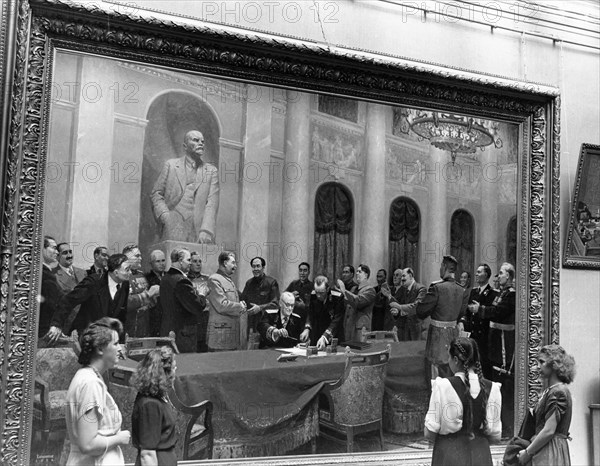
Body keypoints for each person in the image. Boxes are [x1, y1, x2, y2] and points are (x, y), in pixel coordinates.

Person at [425, 337, 501, 466]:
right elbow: (495, 436)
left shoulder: (443, 386)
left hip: (450, 455)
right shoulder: (492, 388)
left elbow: (429, 433)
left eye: (449, 357)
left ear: (455, 360)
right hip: (481, 455)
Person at [65, 318, 131, 465]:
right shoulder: (91, 383)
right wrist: (120, 438)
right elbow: (88, 444)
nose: (120, 349)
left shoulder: (88, 376)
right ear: (100, 349)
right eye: (115, 344)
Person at [469, 261, 516, 437]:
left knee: (503, 385)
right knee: (494, 382)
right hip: (494, 344)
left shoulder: (511, 295)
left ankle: (507, 427)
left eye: (502, 273)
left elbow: (498, 312)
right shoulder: (502, 294)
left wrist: (479, 309)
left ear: (510, 277)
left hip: (505, 346)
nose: (499, 276)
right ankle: (496, 423)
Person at [150, 130, 220, 244]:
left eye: (202, 141)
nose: (201, 143)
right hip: (173, 221)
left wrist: (206, 230)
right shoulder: (171, 165)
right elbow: (156, 194)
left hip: (198, 227)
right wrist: (164, 215)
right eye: (195, 140)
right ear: (185, 146)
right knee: (173, 259)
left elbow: (212, 202)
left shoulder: (211, 171)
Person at [516, 344, 575, 466]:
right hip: (545, 448)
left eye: (542, 362)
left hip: (550, 450)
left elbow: (549, 430)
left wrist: (527, 453)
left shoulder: (558, 392)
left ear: (554, 364)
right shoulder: (551, 390)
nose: (537, 367)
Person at [51, 254, 132, 341]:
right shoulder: (93, 282)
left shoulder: (124, 284)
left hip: (107, 337)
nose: (130, 272)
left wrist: (122, 341)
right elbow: (68, 300)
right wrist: (56, 324)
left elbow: (121, 315)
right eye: (127, 270)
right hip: (85, 334)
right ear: (116, 272)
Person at [416, 255, 469, 379]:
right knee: (452, 369)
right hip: (454, 334)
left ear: (445, 267)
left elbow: (421, 311)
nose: (440, 269)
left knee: (436, 373)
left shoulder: (437, 288)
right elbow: (461, 313)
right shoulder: (462, 290)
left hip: (437, 337)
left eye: (441, 266)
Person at [130, 346, 178, 466]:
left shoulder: (157, 398)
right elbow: (147, 454)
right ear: (164, 373)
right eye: (173, 368)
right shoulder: (150, 405)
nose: (175, 371)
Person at [159, 248, 206, 353]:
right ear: (180, 261)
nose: (190, 263)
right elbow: (197, 306)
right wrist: (202, 294)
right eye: (188, 260)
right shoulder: (181, 281)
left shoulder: (165, 278)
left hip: (168, 330)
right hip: (183, 334)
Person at [206, 251, 254, 351]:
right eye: (233, 263)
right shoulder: (214, 279)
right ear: (224, 263)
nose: (235, 266)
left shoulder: (228, 280)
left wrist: (242, 305)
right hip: (221, 336)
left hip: (230, 335)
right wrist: (239, 306)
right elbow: (221, 305)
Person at [458, 263, 498, 379]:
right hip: (472, 335)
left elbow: (493, 314)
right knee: (471, 367)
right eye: (476, 272)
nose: (476, 274)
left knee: (484, 367)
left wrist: (479, 309)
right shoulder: (474, 292)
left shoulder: (493, 293)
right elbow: (467, 312)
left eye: (479, 272)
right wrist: (462, 322)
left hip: (485, 338)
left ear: (486, 275)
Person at [123, 245, 160, 337]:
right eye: (137, 256)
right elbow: (123, 302)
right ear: (127, 258)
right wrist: (148, 294)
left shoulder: (142, 274)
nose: (141, 258)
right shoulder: (122, 276)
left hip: (144, 324)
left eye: (140, 255)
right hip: (129, 325)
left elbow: (150, 300)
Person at [300, 275, 345, 349]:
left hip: (333, 333)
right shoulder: (313, 294)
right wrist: (307, 328)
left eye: (321, 293)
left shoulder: (337, 297)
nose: (318, 296)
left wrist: (325, 336)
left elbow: (337, 320)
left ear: (327, 289)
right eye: (317, 292)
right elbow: (310, 313)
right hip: (318, 332)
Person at [383, 267, 427, 341]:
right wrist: (397, 312)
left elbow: (416, 307)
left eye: (403, 276)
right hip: (406, 330)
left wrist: (399, 307)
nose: (402, 279)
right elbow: (403, 309)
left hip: (417, 330)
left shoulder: (421, 289)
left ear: (410, 276)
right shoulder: (405, 290)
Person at [241, 256, 280, 336]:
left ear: (263, 267)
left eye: (258, 266)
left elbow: (275, 304)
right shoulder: (249, 283)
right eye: (253, 266)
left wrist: (260, 308)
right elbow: (242, 299)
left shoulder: (271, 282)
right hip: (251, 323)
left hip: (266, 323)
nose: (255, 269)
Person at [337, 264, 376, 341]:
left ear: (366, 275)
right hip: (348, 327)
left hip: (360, 329)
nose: (357, 273)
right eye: (357, 271)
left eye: (360, 271)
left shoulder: (370, 290)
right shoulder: (354, 289)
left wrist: (344, 290)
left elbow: (359, 301)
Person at [40, 236, 65, 343]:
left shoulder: (48, 272)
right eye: (54, 248)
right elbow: (50, 304)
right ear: (42, 248)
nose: (57, 252)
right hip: (45, 330)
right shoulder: (42, 273)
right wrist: (55, 325)